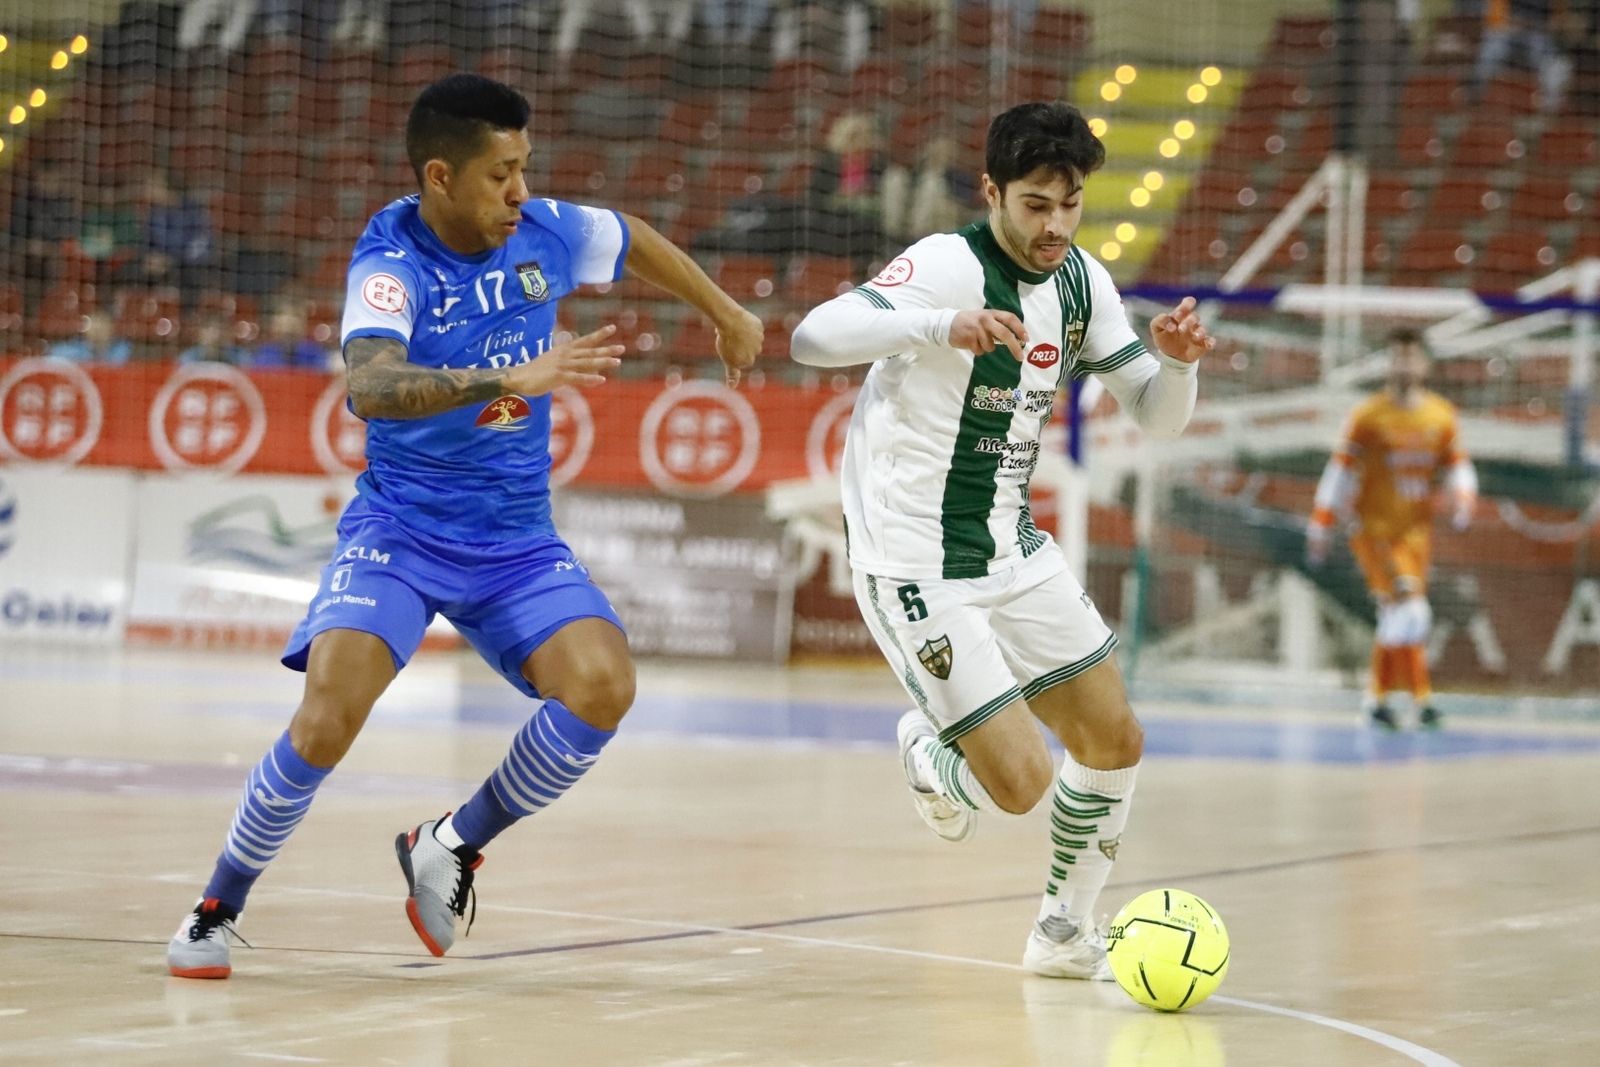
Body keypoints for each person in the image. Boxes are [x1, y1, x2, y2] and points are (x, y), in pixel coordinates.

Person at [166, 72, 762, 978]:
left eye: (526, 168)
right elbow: (370, 387)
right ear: (439, 177)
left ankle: (452, 843)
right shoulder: (391, 260)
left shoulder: (545, 230)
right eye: (501, 175)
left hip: (515, 539)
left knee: (604, 687)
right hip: (401, 530)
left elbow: (631, 237)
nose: (521, 192)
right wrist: (506, 380)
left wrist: (724, 311)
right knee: (328, 714)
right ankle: (216, 906)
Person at [789, 101, 1214, 981]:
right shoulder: (947, 267)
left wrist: (1175, 364)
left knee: (1114, 738)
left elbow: (1160, 419)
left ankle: (1064, 930)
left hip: (1010, 544)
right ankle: (929, 748)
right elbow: (811, 336)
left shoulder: (1081, 282)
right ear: (991, 191)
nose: (1055, 224)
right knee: (1018, 787)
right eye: (1034, 205)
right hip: (912, 559)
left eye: (1070, 204)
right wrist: (936, 324)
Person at [1306, 327, 1476, 730]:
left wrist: (1464, 498)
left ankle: (1392, 701)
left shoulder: (1441, 415)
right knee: (1410, 610)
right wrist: (1322, 520)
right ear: (1388, 363)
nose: (1403, 364)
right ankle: (1403, 701)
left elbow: (1457, 466)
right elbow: (1340, 472)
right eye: (1396, 356)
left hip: (1416, 534)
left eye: (1410, 356)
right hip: (1374, 531)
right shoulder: (1367, 416)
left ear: (1424, 364)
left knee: (1405, 619)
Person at [45, 307, 133, 366]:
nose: (98, 331)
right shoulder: (68, 351)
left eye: (103, 326)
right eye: (94, 326)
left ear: (112, 329)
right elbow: (53, 359)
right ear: (86, 330)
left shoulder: (124, 350)